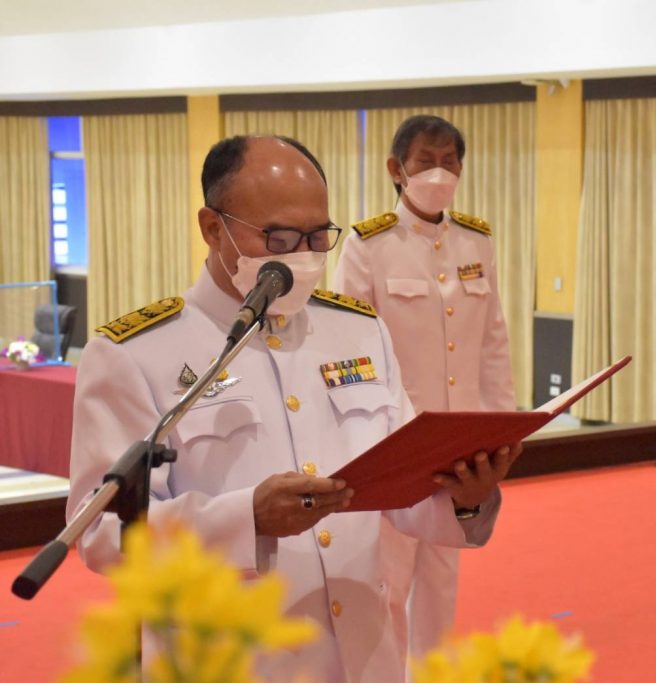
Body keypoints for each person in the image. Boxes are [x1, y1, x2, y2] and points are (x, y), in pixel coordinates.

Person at [66, 135, 516, 682]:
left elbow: (399, 485)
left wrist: (466, 497)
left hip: (363, 655)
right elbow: (99, 532)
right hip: (230, 662)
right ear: (214, 228)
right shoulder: (135, 353)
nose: (302, 255)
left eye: (317, 235)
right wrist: (244, 518)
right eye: (278, 236)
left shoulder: (358, 330)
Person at [333, 114, 516, 660]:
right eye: (425, 161)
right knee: (388, 580)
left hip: (461, 442)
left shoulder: (476, 242)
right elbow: (354, 353)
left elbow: (492, 344)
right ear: (397, 169)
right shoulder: (369, 245)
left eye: (449, 160)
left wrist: (500, 428)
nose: (439, 172)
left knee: (441, 580)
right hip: (396, 440)